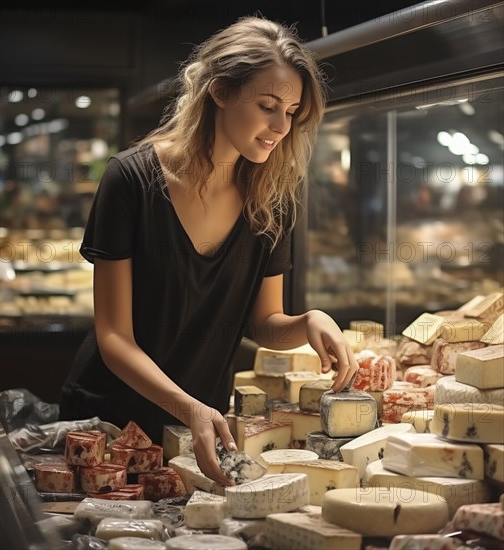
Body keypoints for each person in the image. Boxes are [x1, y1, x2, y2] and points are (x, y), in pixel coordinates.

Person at [59, 15, 359, 486]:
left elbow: (264, 323)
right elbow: (114, 337)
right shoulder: (131, 180)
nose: (281, 125)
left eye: (292, 112)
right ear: (219, 92)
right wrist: (189, 407)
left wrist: (307, 322)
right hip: (109, 424)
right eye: (267, 105)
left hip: (201, 430)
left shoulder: (272, 197)